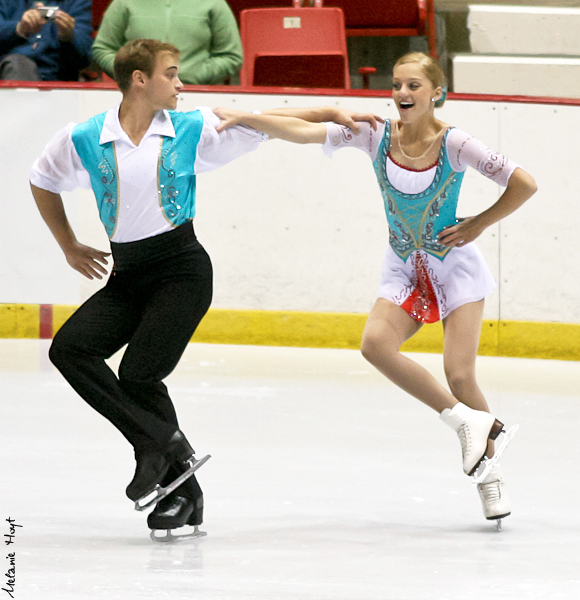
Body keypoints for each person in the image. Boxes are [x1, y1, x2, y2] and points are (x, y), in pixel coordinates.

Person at [29, 38, 375, 537]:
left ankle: (160, 454)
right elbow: (42, 178)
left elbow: (265, 122)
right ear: (139, 80)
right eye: (171, 73)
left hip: (181, 271)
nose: (181, 83)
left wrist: (329, 110)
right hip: (126, 275)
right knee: (71, 349)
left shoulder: (191, 127)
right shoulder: (83, 136)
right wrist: (68, 244)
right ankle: (169, 463)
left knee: (140, 374)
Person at [211, 52, 538, 525]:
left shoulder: (456, 144)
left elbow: (524, 183)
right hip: (405, 266)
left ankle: (490, 478)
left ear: (436, 94)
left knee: (461, 376)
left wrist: (480, 224)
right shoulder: (374, 133)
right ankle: (465, 420)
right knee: (375, 345)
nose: (402, 94)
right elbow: (302, 132)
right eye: (396, 84)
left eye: (413, 86)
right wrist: (249, 116)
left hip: (454, 266)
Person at [92, 0, 243, 85]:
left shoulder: (215, 3)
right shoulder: (123, 3)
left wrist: (194, 76)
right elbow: (103, 49)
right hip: (136, 96)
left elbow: (231, 57)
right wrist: (132, 75)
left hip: (196, 94)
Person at [0, 1, 92, 81]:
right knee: (18, 64)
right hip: (9, 72)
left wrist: (69, 36)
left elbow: (85, 57)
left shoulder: (76, 2)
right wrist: (19, 29)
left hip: (58, 76)